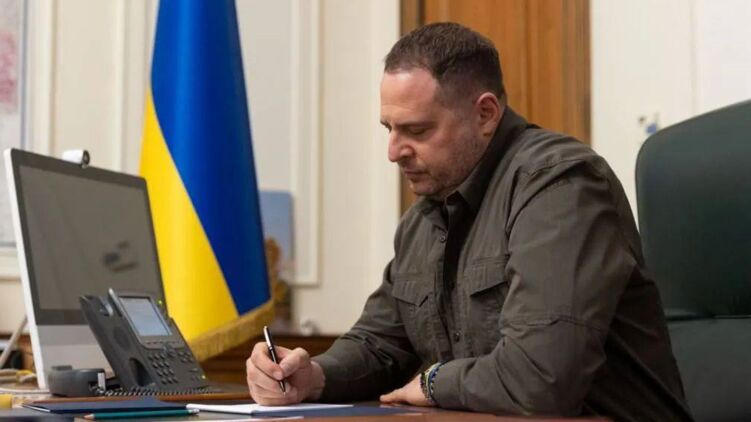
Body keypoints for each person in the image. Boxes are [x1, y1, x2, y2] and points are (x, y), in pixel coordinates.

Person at [246, 22, 693, 421]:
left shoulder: (560, 184)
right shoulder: (424, 217)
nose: (394, 152)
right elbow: (380, 344)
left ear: (485, 114)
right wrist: (313, 375)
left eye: (417, 131)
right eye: (389, 129)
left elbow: (541, 378)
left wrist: (433, 381)